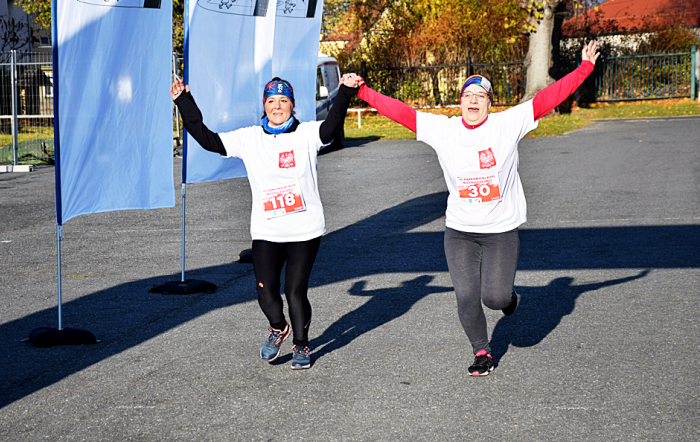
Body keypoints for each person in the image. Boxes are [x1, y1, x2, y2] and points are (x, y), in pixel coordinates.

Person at [355, 41, 600, 376]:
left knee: (495, 298)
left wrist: (584, 68)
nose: (473, 101)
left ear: (489, 103)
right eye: (468, 95)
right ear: (461, 101)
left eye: (481, 96)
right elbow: (402, 113)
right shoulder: (445, 130)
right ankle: (482, 351)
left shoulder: (506, 125)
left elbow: (550, 97)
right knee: (466, 295)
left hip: (500, 231)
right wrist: (364, 92)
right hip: (460, 232)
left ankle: (510, 299)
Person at [171, 73, 362, 369]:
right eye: (272, 100)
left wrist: (347, 93)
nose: (277, 106)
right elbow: (207, 139)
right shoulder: (249, 138)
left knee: (295, 291)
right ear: (264, 105)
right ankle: (278, 327)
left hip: (304, 229)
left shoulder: (307, 134)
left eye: (283, 100)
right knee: (265, 289)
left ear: (293, 105)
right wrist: (184, 101)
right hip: (267, 230)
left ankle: (301, 345)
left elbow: (332, 126)